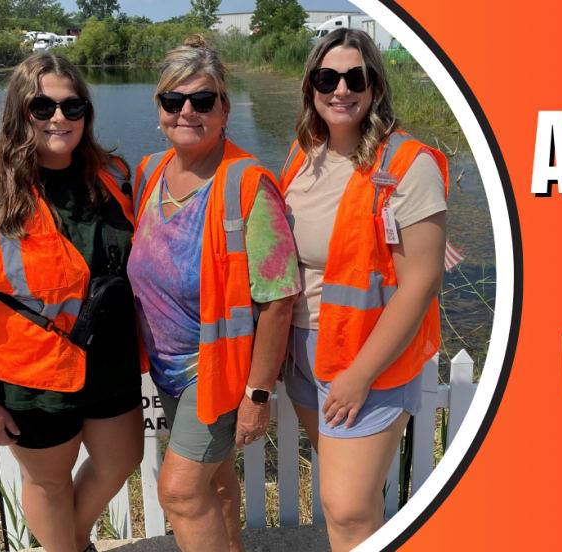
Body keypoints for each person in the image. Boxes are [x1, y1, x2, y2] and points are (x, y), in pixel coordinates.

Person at [0, 53, 142, 552]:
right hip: (33, 378)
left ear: (86, 114)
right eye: (43, 106)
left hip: (111, 364)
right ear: (20, 111)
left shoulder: (113, 175)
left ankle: (71, 541)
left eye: (72, 106)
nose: (59, 118)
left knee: (122, 460)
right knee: (50, 483)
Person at [278, 28, 449, 550]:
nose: (341, 89)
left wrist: (361, 373)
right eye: (327, 78)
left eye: (356, 77)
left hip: (366, 359)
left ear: (375, 86)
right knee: (352, 498)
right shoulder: (302, 156)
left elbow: (421, 282)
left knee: (347, 509)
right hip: (305, 352)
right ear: (310, 85)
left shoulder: (406, 165)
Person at [128, 35, 300, 552]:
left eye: (202, 101)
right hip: (167, 368)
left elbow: (278, 300)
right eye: (173, 100)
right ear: (158, 106)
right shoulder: (148, 172)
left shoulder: (248, 184)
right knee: (217, 482)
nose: (187, 111)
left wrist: (257, 395)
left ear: (224, 107)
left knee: (179, 493)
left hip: (218, 374)